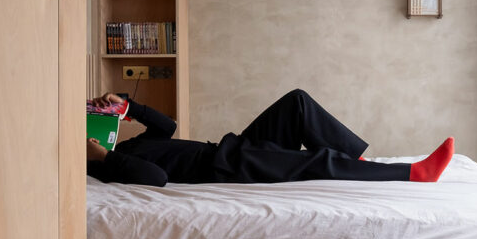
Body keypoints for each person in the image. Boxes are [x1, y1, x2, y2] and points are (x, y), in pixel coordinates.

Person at [86, 88, 454, 188]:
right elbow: (158, 178)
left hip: (229, 149)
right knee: (316, 163)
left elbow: (167, 127)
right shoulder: (106, 168)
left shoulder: (126, 146)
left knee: (297, 104)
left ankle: (352, 160)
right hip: (229, 169)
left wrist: (127, 106)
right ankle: (416, 173)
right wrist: (102, 157)